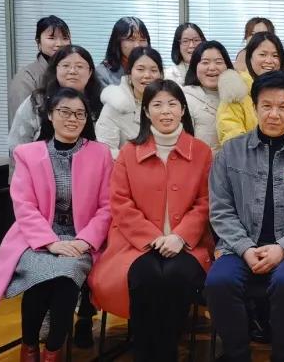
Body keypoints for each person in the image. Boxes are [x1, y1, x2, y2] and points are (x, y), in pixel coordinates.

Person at [0, 88, 112, 362]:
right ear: (50, 115)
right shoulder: (28, 154)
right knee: (38, 277)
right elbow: (24, 206)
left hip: (79, 239)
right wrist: (50, 242)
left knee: (66, 276)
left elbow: (107, 207)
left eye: (80, 114)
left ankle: (52, 350)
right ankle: (29, 347)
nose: (72, 119)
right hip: (36, 238)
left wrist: (84, 241)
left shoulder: (100, 154)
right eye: (65, 112)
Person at [205, 71, 284, 362]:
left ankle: (282, 356)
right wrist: (245, 248)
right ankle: (237, 355)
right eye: (266, 106)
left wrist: (282, 248)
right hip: (240, 247)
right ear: (254, 107)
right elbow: (221, 210)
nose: (274, 114)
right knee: (218, 282)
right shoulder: (230, 153)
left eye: (283, 106)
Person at [88, 80, 214, 362]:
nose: (165, 111)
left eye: (172, 104)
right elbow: (120, 202)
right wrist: (153, 238)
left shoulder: (202, 152)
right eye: (157, 104)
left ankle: (164, 354)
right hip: (136, 245)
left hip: (187, 244)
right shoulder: (129, 153)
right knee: (146, 276)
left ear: (183, 110)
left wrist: (179, 236)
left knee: (176, 276)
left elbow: (205, 203)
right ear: (146, 111)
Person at [9, 45, 103, 153]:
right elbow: (16, 145)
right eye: (66, 65)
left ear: (90, 72)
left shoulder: (101, 103)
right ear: (55, 70)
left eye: (80, 66)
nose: (72, 71)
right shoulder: (38, 101)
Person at [217, 31, 284, 144]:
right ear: (250, 57)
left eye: (275, 56)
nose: (269, 61)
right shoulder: (236, 90)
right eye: (262, 55)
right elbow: (231, 136)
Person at [95, 46, 163, 158]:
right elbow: (106, 151)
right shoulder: (115, 103)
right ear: (129, 74)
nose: (147, 75)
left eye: (154, 70)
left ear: (161, 75)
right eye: (140, 69)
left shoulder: (169, 103)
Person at [9, 15, 70, 121]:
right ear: (38, 42)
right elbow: (22, 121)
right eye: (51, 38)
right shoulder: (26, 77)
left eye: (65, 38)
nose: (59, 44)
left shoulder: (72, 73)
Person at [181, 40, 233, 151]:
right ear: (195, 66)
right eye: (205, 62)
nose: (212, 68)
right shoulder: (185, 99)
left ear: (227, 66)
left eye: (218, 62)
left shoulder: (237, 97)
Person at [97, 16, 151, 87]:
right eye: (131, 40)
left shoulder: (154, 70)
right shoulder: (103, 73)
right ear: (117, 42)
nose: (137, 45)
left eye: (142, 40)